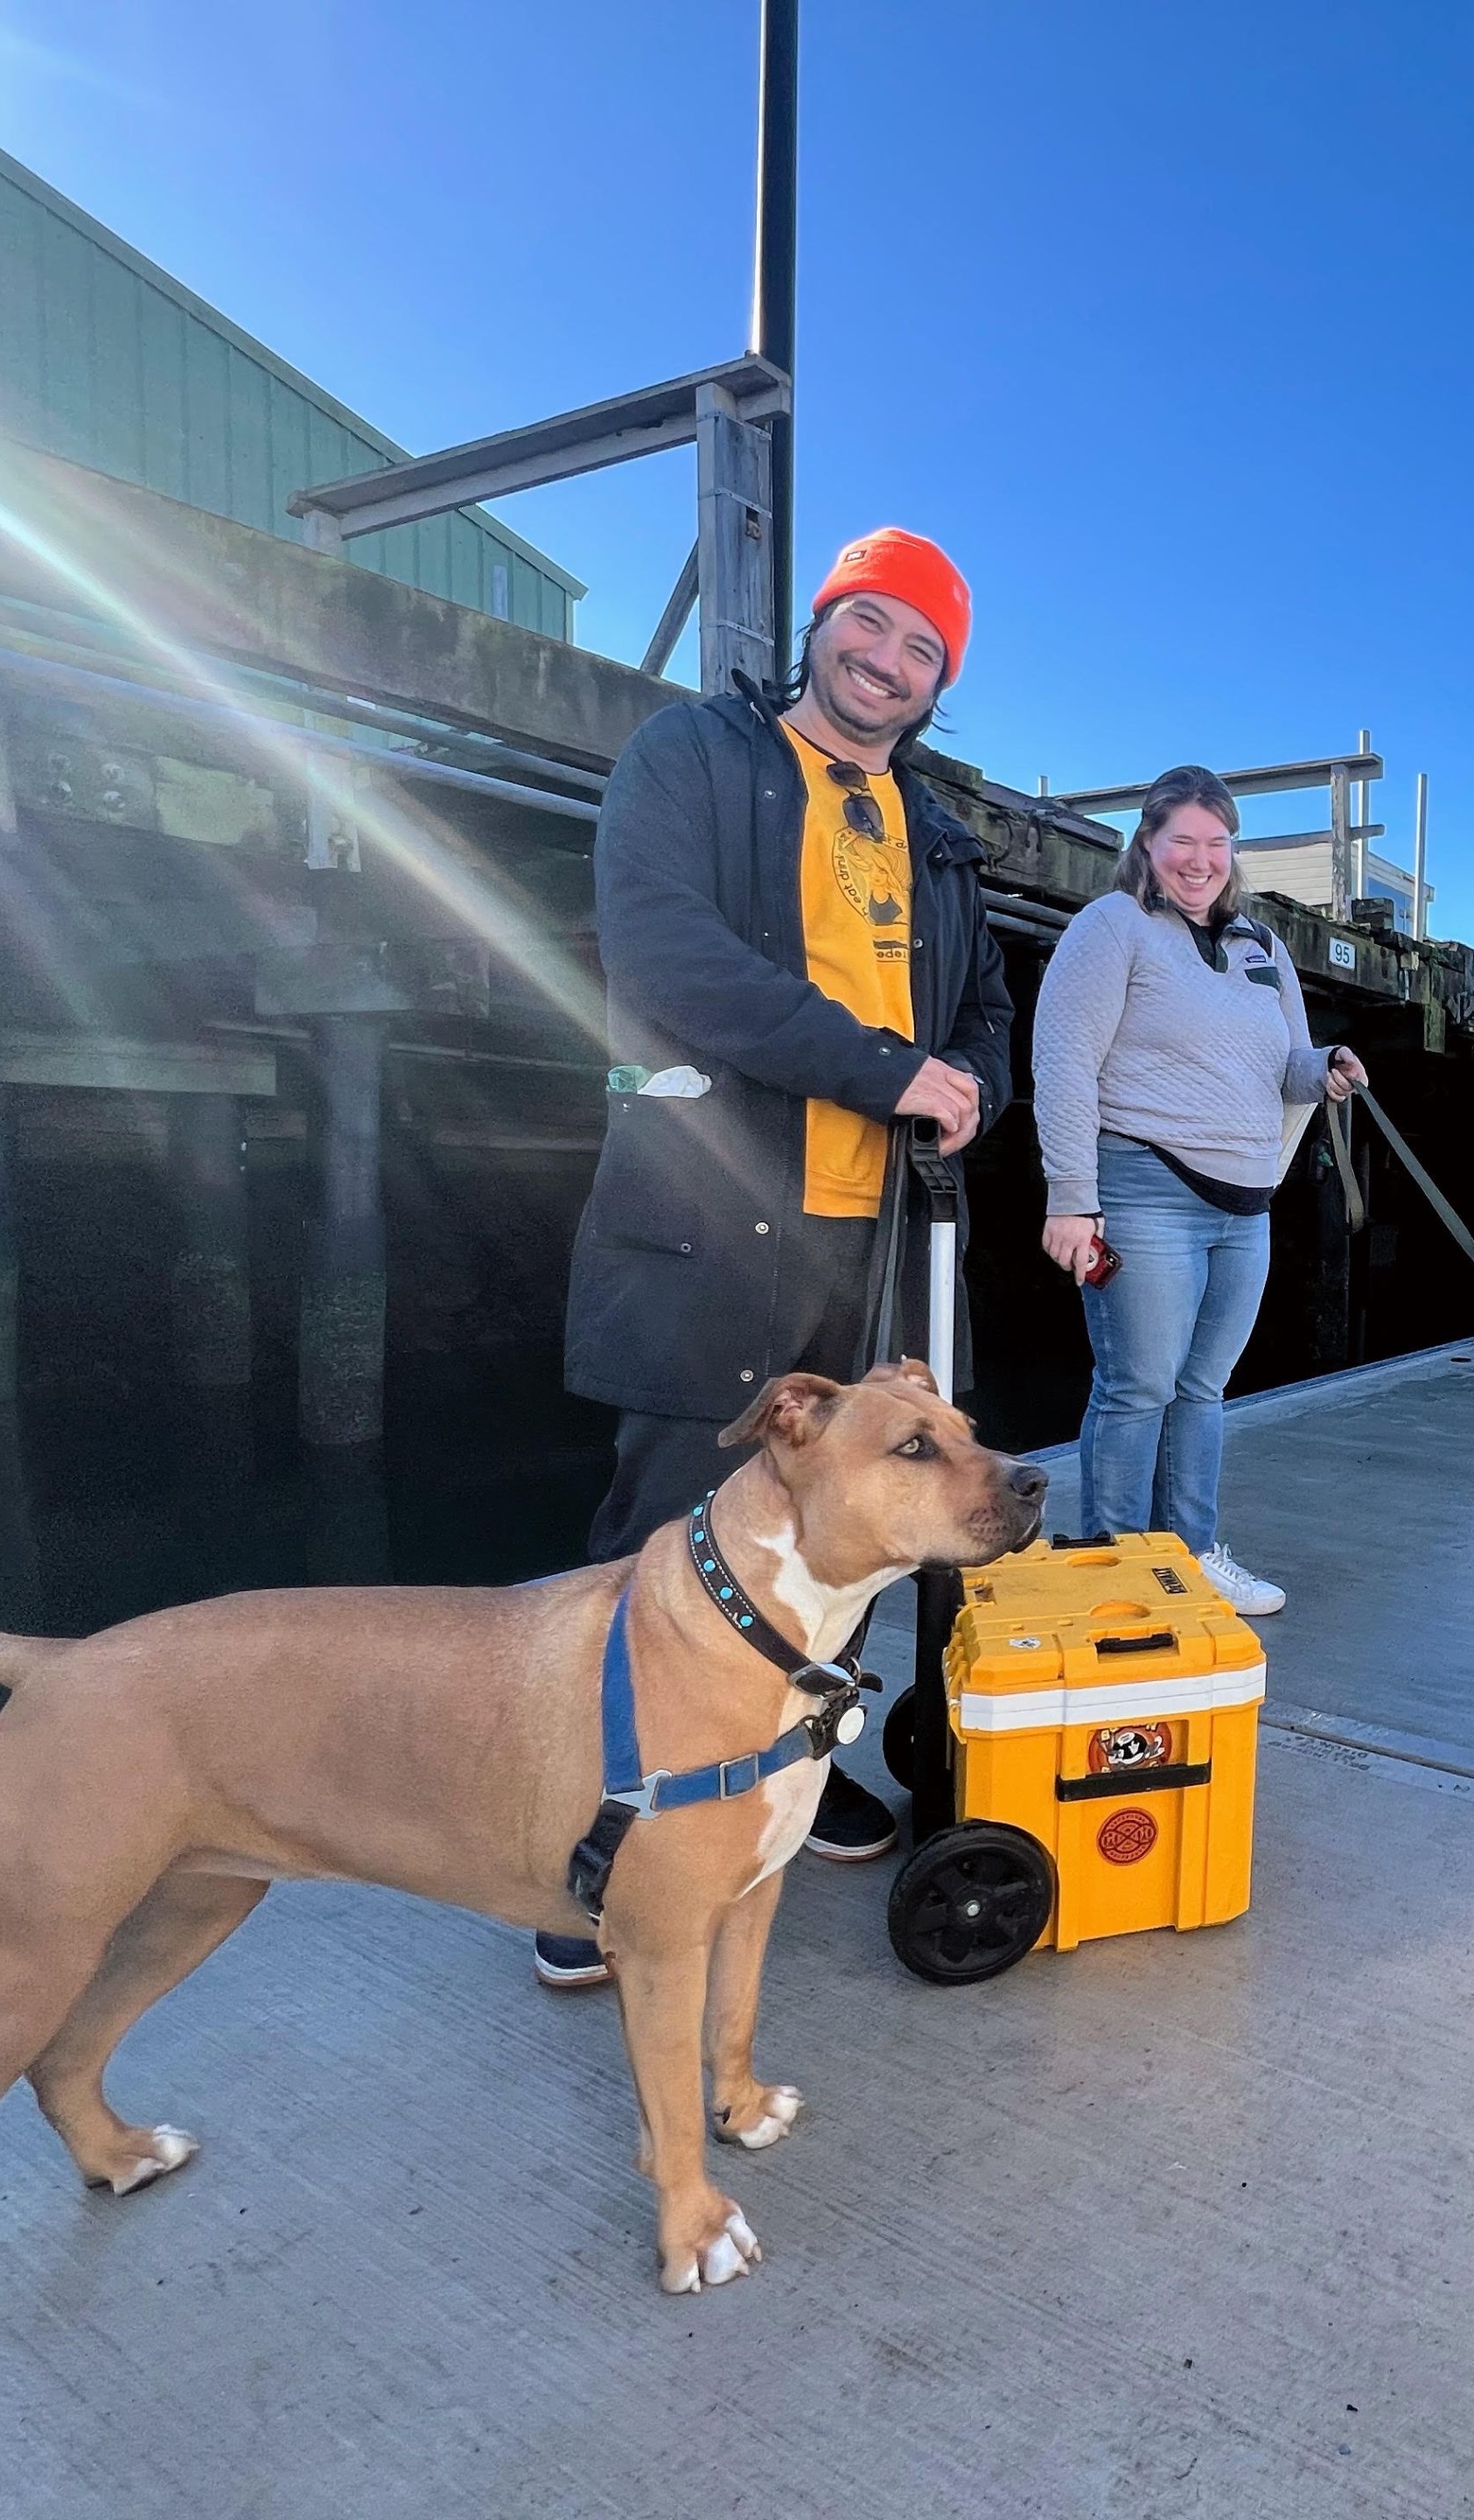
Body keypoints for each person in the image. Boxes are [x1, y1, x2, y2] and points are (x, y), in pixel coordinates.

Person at [547, 527, 1013, 1985]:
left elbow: (984, 1000)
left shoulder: (931, 830)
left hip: (865, 1237)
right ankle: (588, 1857)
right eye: (868, 628)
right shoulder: (691, 757)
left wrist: (972, 1083)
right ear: (823, 624)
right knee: (661, 1537)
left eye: (920, 650)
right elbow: (668, 958)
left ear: (939, 680)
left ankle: (786, 1780)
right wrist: (890, 1070)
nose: (886, 664)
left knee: (833, 1549)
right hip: (709, 1215)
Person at [1033, 766, 1366, 1614]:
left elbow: (1287, 1066)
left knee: (1202, 1389)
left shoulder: (1263, 946)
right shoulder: (1112, 928)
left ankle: (1187, 1557)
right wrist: (1072, 1197)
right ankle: (1110, 1571)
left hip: (1245, 1208)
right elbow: (1064, 1061)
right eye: (1181, 840)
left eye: (1217, 844)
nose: (1199, 860)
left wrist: (1324, 1066)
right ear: (1145, 842)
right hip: (1143, 1190)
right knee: (1137, 1384)